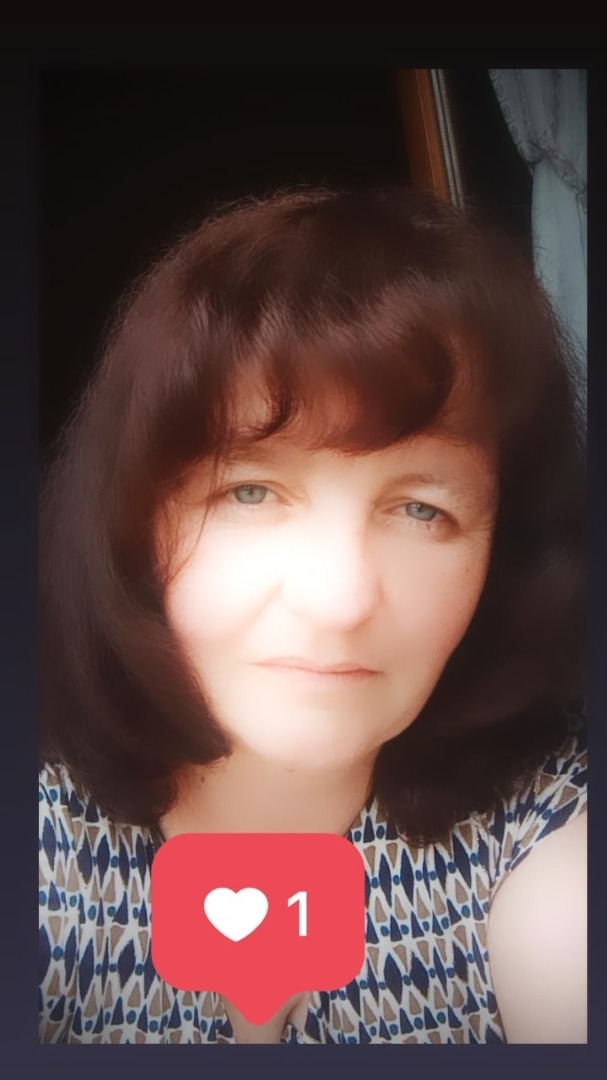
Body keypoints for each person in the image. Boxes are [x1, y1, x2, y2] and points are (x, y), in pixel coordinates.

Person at [39, 185, 587, 1045]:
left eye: (421, 510)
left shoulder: (543, 839)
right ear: (134, 524)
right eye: (250, 492)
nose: (338, 600)